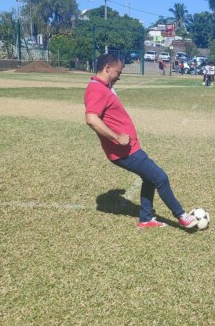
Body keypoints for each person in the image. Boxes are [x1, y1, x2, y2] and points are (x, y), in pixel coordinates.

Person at [85, 53, 198, 229]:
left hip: (129, 148)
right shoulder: (96, 88)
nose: (119, 76)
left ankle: (145, 219)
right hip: (124, 151)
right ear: (107, 69)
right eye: (118, 72)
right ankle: (182, 216)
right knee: (160, 177)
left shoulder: (104, 86)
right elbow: (91, 119)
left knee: (149, 178)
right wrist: (117, 137)